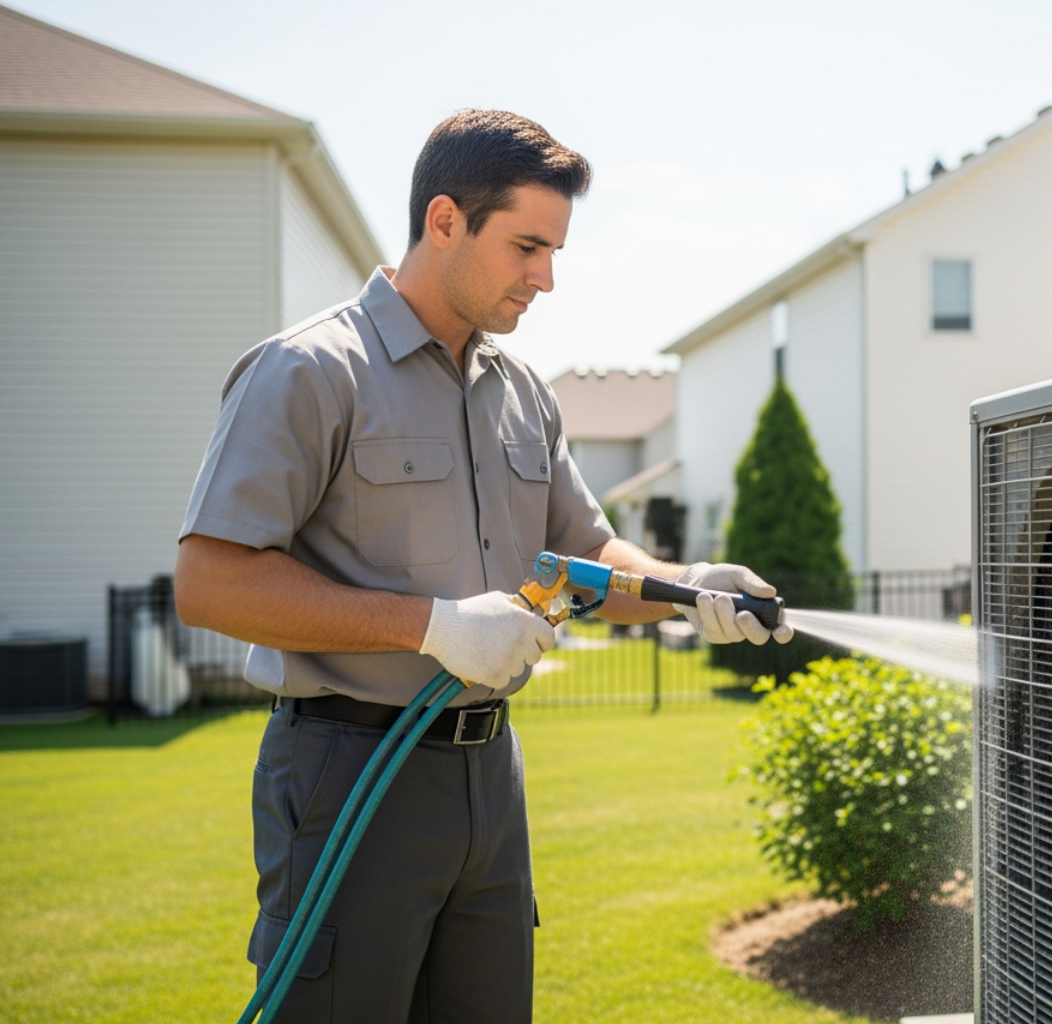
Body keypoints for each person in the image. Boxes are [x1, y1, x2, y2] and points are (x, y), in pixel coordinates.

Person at [174, 109, 791, 1024]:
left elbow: (587, 558)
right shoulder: (310, 370)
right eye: (527, 247)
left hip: (487, 779)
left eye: (555, 251)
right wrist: (433, 626)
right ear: (445, 221)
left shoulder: (522, 393)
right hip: (349, 768)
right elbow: (211, 581)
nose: (546, 278)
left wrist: (685, 585)